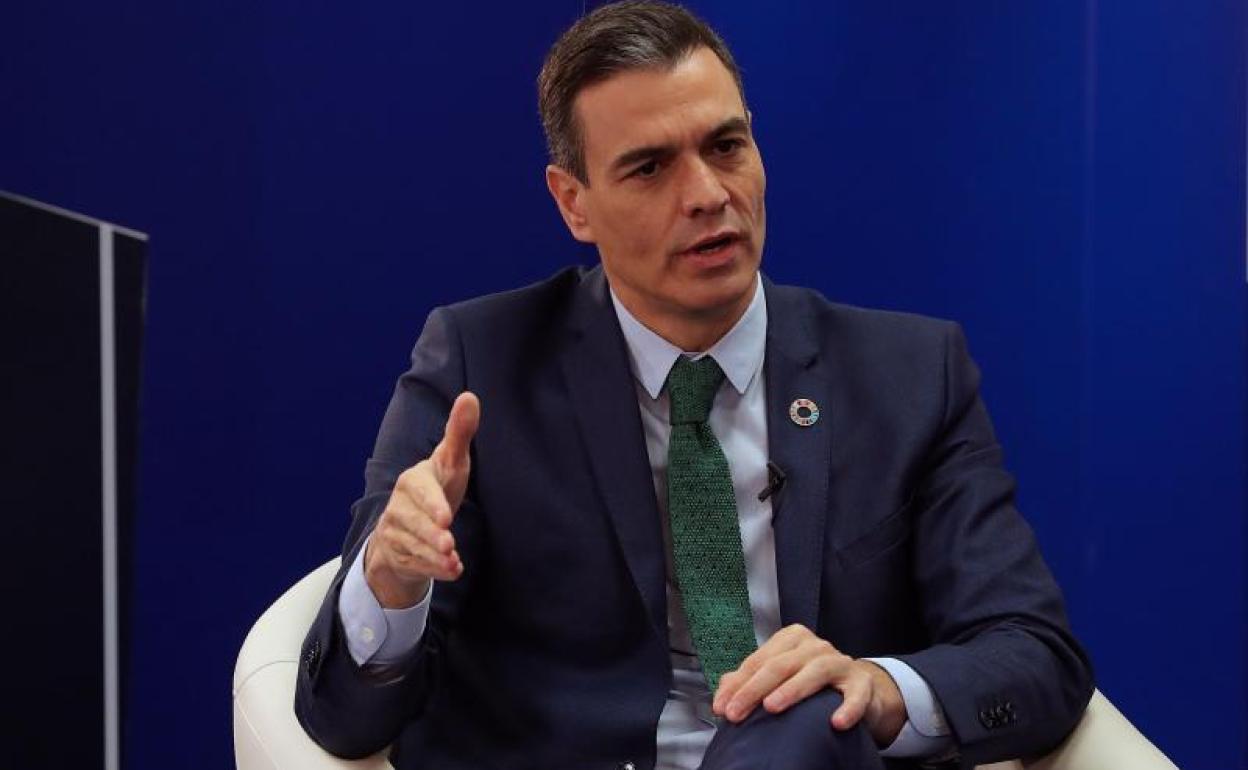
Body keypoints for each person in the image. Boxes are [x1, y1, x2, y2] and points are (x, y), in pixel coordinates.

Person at [294, 3, 1093, 769]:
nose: (709, 194)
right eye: (649, 167)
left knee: (804, 716)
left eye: (726, 145)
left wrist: (877, 690)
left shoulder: (909, 375)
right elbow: (340, 716)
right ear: (574, 203)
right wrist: (390, 582)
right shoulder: (484, 366)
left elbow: (1036, 656)